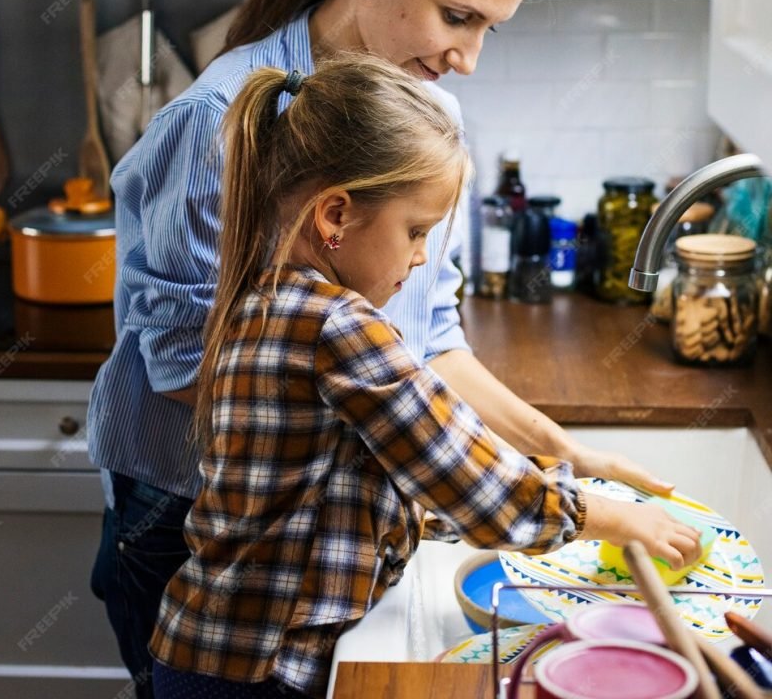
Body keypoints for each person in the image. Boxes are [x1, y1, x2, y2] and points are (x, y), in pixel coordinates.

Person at [87, 0, 675, 694]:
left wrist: (561, 452)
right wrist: (423, 458)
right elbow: (187, 367)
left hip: (320, 531)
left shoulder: (427, 119)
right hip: (193, 522)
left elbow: (430, 338)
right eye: (457, 16)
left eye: (488, 29)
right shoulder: (214, 121)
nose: (468, 58)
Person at [148, 55, 701, 698]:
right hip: (254, 673)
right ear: (335, 216)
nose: (419, 258)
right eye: (416, 232)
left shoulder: (267, 300)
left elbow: (377, 489)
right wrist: (615, 519)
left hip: (214, 655)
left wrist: (550, 495)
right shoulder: (337, 326)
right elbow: (468, 477)